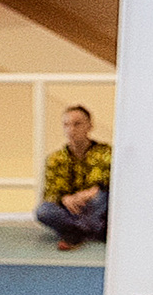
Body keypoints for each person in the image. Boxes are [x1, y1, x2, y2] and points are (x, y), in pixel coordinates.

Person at [36, 102, 110, 249]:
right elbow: (52, 192)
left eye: (77, 124)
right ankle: (89, 229)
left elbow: (106, 183)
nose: (71, 130)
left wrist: (87, 194)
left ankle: (74, 231)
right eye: (67, 125)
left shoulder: (106, 153)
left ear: (89, 126)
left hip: (94, 205)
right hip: (70, 209)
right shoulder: (55, 158)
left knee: (103, 198)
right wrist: (65, 199)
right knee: (44, 211)